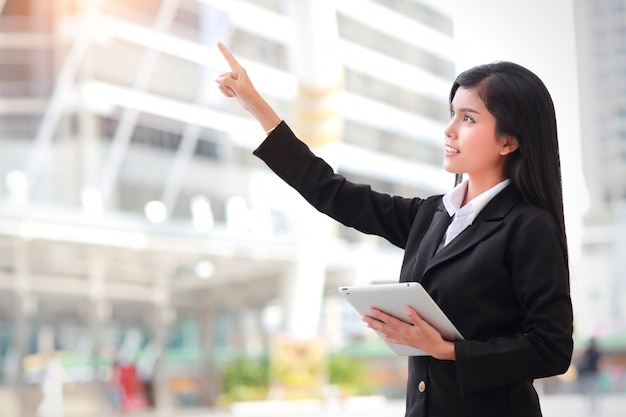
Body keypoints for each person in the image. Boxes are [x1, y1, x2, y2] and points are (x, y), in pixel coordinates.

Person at [215, 42, 574, 417]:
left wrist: (446, 349)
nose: (449, 130)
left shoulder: (529, 226)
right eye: (452, 114)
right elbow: (332, 191)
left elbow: (551, 349)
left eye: (468, 118)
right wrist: (256, 104)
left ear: (509, 140)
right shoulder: (432, 215)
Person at [578, 337, 602, 413]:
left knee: (589, 389)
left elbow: (582, 359)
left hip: (588, 372)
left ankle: (590, 404)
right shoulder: (596, 352)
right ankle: (592, 404)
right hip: (592, 372)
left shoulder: (588, 351)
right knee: (593, 389)